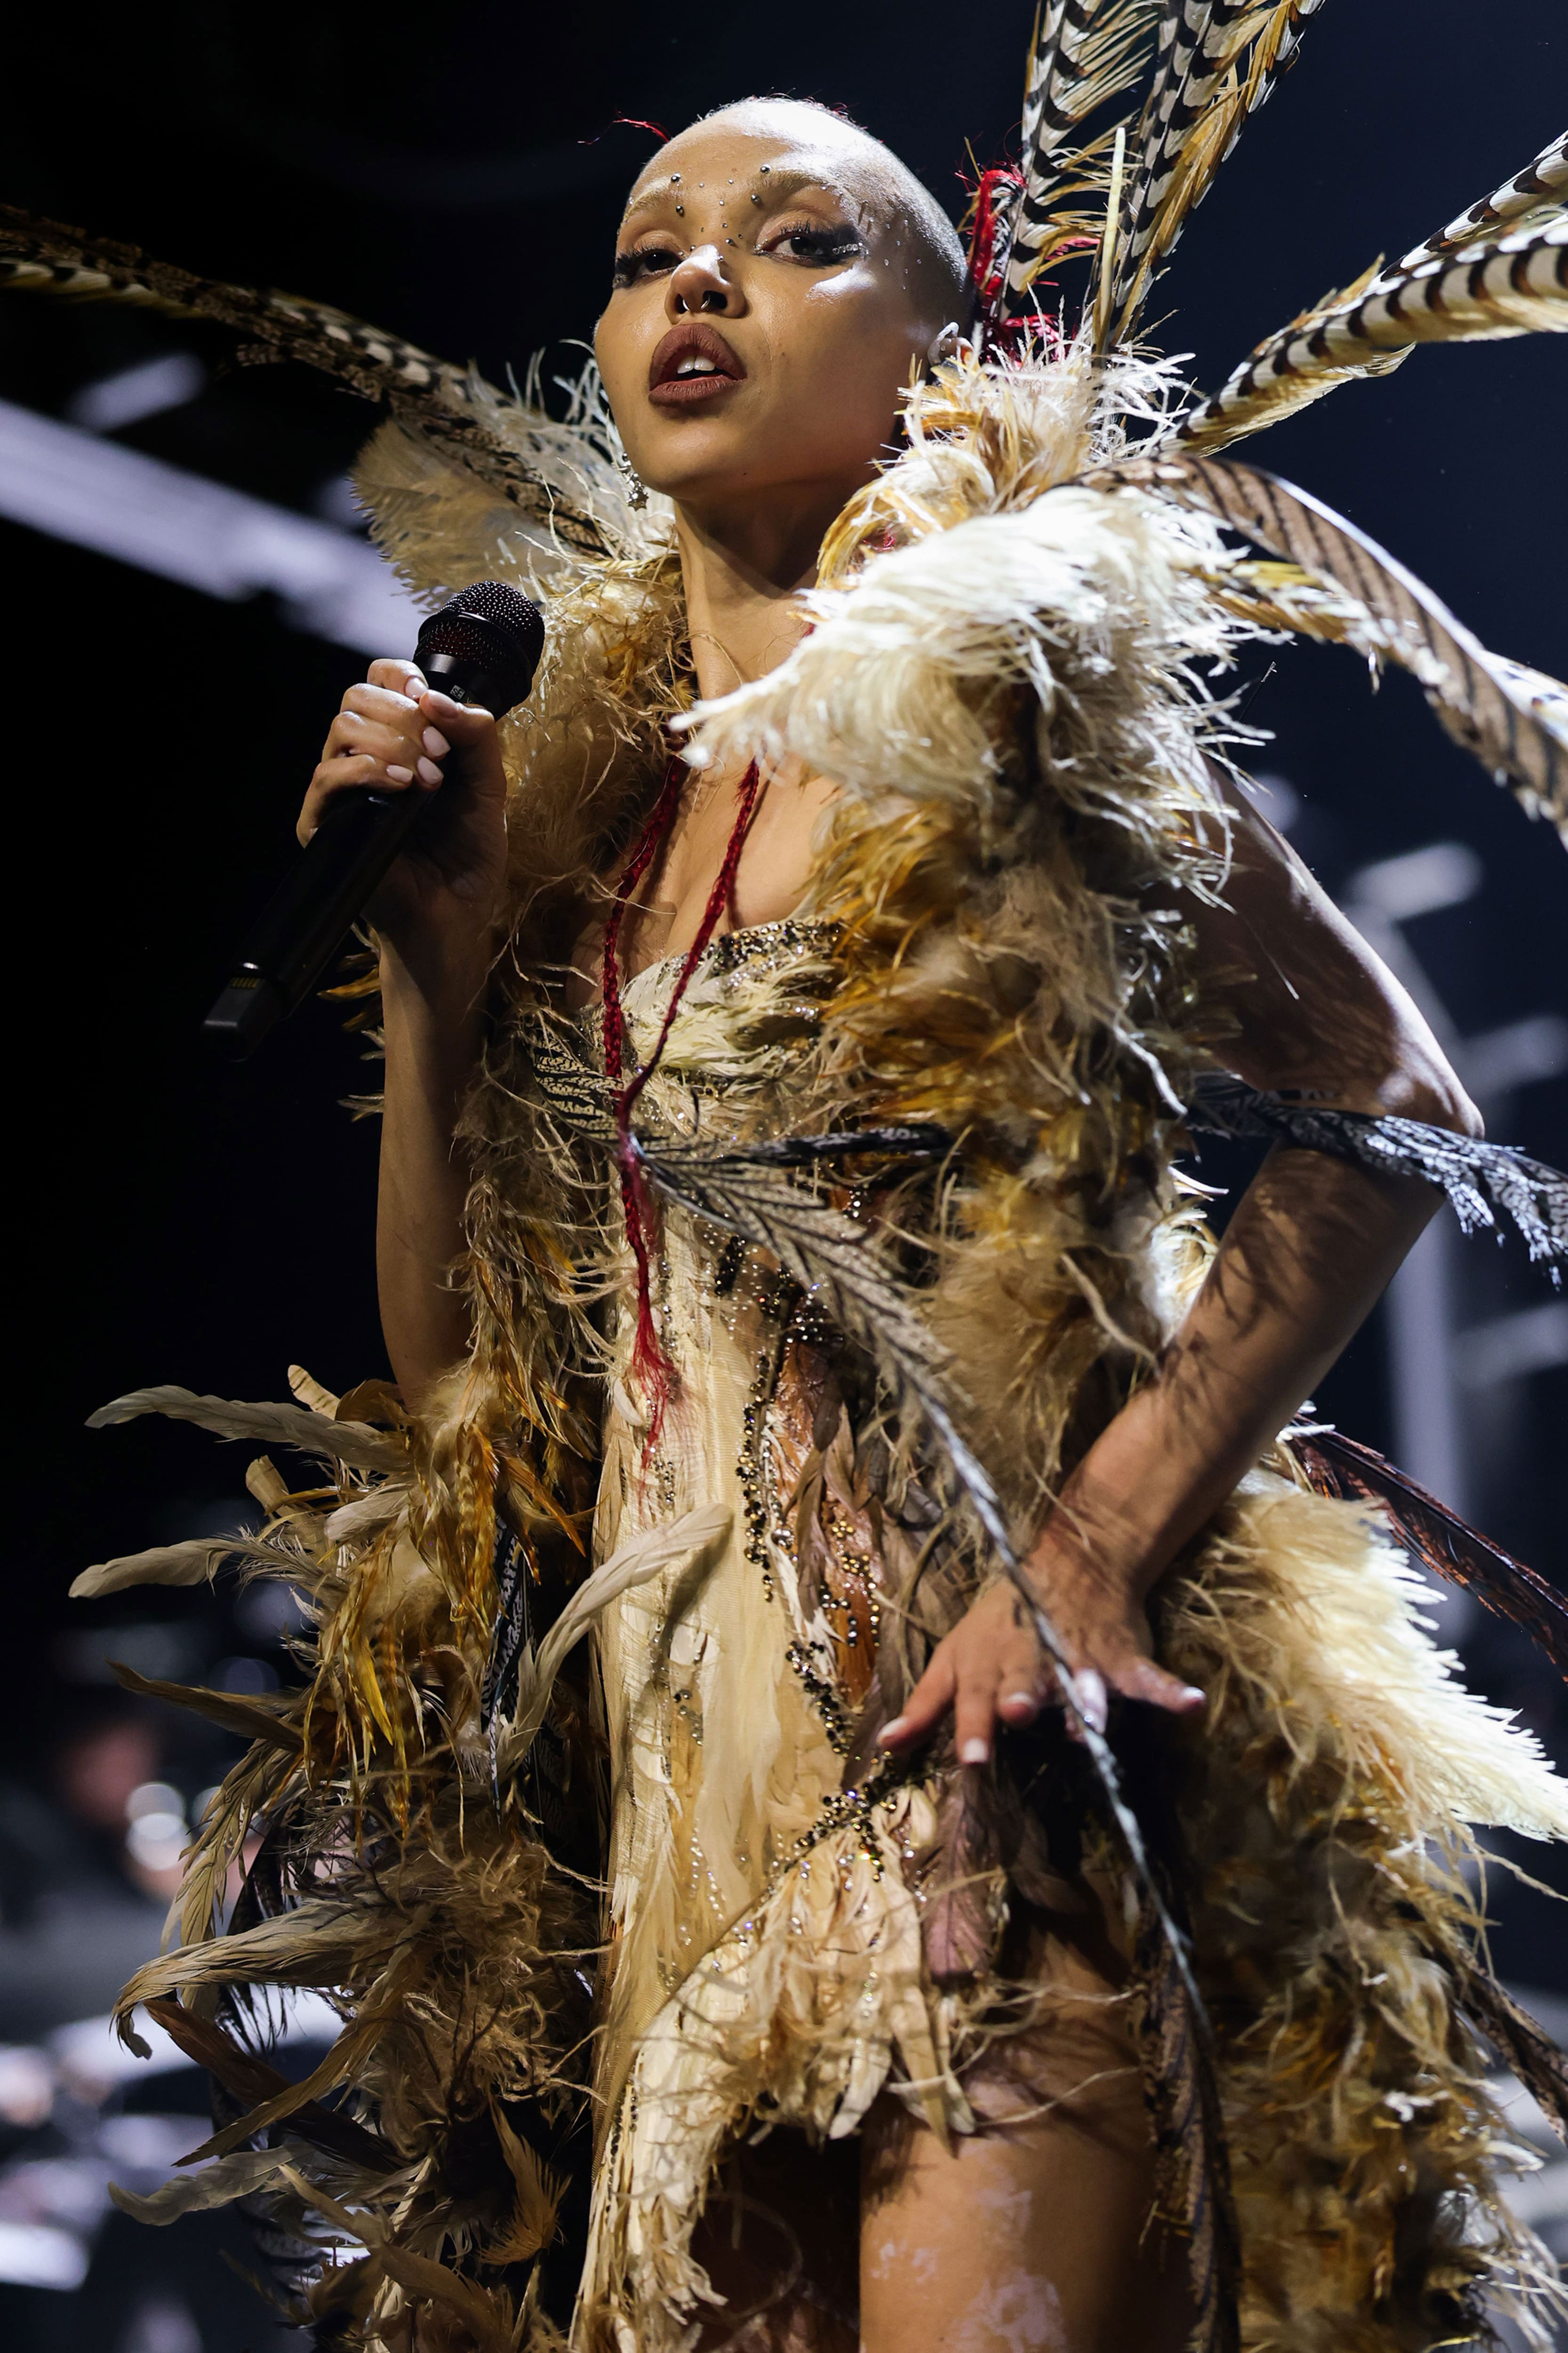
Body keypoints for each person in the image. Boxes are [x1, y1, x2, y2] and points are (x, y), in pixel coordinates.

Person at [34, 51, 1568, 2353]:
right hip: (666, 1811)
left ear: (934, 358)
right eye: (648, 255)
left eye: (792, 243)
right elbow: (462, 1390)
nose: (698, 288)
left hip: (979, 1769)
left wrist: (1086, 1555)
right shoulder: (582, 830)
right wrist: (437, 978)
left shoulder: (1022, 710)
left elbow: (1385, 1100)